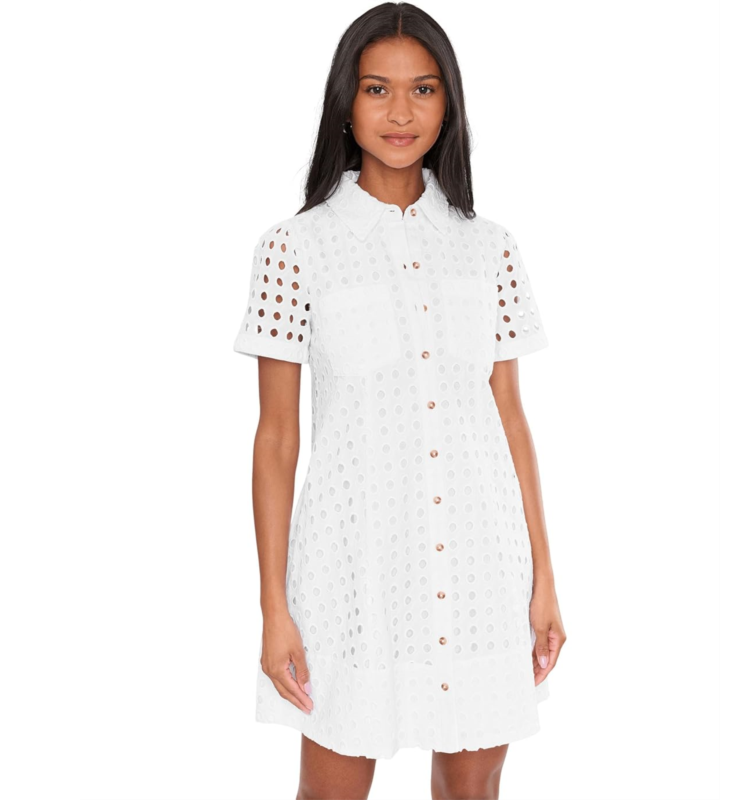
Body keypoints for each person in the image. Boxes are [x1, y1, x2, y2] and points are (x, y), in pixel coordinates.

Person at [233, 3, 566, 798]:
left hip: (482, 565)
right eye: (377, 89)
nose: (401, 112)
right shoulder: (295, 248)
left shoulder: (490, 248)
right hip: (354, 570)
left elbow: (509, 417)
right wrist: (274, 607)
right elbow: (276, 439)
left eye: (423, 89)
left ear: (449, 104)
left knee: (473, 789)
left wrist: (544, 576)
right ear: (345, 103)